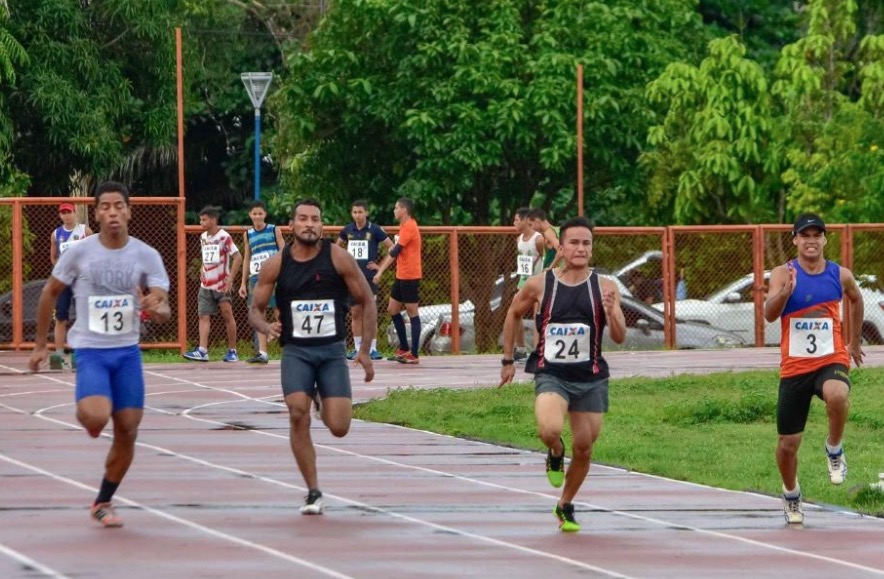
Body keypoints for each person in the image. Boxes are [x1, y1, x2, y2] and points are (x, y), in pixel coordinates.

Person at [29, 181, 171, 528]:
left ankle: (103, 501)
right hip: (91, 350)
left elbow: (164, 306)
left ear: (129, 211)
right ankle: (90, 414)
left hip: (126, 353)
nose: (112, 212)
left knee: (128, 429)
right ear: (96, 213)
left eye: (118, 206)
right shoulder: (79, 252)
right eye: (105, 206)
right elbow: (49, 293)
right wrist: (40, 344)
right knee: (96, 417)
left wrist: (156, 306)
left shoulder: (146, 255)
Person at [248, 198, 376, 515]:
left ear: (322, 224)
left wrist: (364, 351)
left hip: (331, 352)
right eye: (303, 219)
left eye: (315, 219)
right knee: (296, 412)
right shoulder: (276, 264)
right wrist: (265, 325)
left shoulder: (339, 258)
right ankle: (313, 491)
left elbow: (368, 300)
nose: (309, 224)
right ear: (291, 226)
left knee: (339, 426)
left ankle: (322, 399)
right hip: (297, 351)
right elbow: (254, 309)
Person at [499, 216, 626, 533]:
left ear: (591, 249)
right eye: (574, 242)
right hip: (551, 372)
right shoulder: (541, 283)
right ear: (562, 245)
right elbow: (513, 313)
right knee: (550, 428)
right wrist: (507, 360)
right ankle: (555, 451)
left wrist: (611, 313)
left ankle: (565, 504)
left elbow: (620, 335)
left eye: (586, 243)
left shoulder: (606, 287)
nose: (580, 248)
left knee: (585, 446)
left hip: (591, 376)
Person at [763, 213, 864, 525]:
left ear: (824, 239)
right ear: (795, 240)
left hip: (829, 357)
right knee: (787, 445)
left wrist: (854, 341)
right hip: (794, 368)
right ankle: (791, 493)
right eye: (804, 235)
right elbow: (769, 314)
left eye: (816, 235)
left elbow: (856, 299)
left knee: (837, 393)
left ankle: (834, 447)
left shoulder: (840, 274)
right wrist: (784, 292)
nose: (811, 240)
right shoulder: (783, 273)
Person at [183, 206, 242, 362]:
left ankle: (232, 350)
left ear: (213, 220)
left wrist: (230, 279)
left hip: (222, 284)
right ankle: (203, 350)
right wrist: (203, 269)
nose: (201, 223)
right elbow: (207, 257)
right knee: (203, 315)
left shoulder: (224, 237)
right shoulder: (203, 237)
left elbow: (238, 257)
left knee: (227, 314)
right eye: (200, 220)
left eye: (204, 220)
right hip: (206, 284)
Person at [336, 199, 393, 361]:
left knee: (370, 312)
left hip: (369, 278)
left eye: (360, 212)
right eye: (354, 212)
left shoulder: (375, 230)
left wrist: (379, 266)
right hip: (352, 278)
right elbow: (336, 248)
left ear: (366, 213)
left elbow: (392, 248)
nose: (357, 215)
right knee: (355, 313)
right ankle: (357, 348)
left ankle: (372, 348)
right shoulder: (348, 230)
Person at [373, 197, 422, 364]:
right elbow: (396, 247)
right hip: (401, 275)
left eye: (396, 208)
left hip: (410, 275)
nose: (394, 211)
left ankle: (414, 354)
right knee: (393, 309)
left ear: (404, 210)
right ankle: (403, 348)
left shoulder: (409, 227)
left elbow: (394, 252)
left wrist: (380, 271)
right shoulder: (403, 226)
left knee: (412, 312)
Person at [238, 200, 285, 364]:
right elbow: (247, 258)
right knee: (258, 312)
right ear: (250, 215)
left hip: (274, 275)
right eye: (254, 213)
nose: (257, 216)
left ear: (265, 214)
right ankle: (263, 352)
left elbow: (284, 252)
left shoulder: (274, 230)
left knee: (279, 311)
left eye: (260, 213)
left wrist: (284, 273)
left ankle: (288, 348)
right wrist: (243, 282)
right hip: (256, 277)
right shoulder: (248, 234)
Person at [48, 202, 94, 369]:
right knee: (61, 317)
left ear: (75, 213)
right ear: (60, 215)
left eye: (69, 212)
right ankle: (59, 353)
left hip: (80, 280)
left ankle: (79, 353)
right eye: (63, 213)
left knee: (82, 316)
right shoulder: (56, 234)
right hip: (63, 281)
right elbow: (53, 256)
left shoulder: (84, 231)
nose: (66, 215)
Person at [513, 207, 544, 362]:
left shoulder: (538, 239)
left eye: (517, 220)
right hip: (524, 282)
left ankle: (539, 352)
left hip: (538, 283)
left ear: (526, 220)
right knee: (515, 311)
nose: (514, 223)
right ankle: (520, 349)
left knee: (537, 315)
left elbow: (546, 257)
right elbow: (523, 262)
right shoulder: (519, 240)